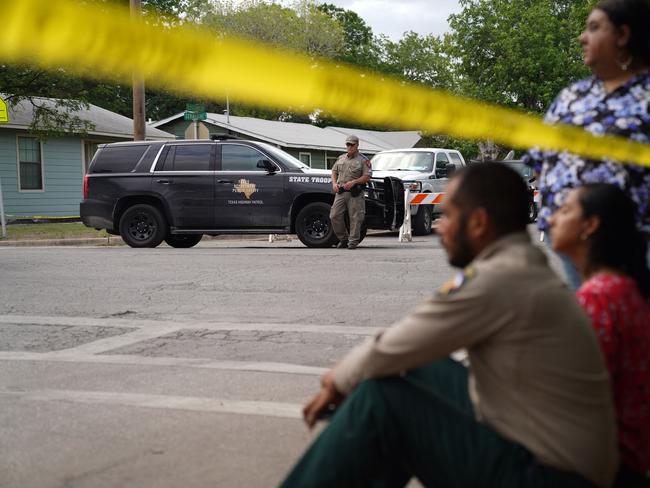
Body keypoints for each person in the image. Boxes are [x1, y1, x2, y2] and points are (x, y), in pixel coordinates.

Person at [280, 163, 618, 488]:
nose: (440, 226)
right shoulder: (520, 264)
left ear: (479, 222)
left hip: (551, 477)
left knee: (383, 398)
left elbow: (394, 345)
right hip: (561, 459)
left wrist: (335, 380)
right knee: (417, 367)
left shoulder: (501, 278)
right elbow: (407, 347)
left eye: (449, 216)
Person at [524, 0, 650, 290]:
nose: (582, 37)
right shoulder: (572, 96)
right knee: (594, 326)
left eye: (594, 28)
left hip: (636, 242)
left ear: (622, 35)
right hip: (573, 244)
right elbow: (540, 162)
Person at [548, 183, 650, 487]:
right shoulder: (620, 289)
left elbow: (575, 396)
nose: (551, 219)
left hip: (601, 465)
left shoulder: (600, 297)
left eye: (565, 210)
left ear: (590, 226)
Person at [330, 135, 372, 250]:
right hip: (341, 192)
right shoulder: (341, 158)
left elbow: (367, 176)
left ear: (357, 145)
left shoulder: (363, 160)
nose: (349, 147)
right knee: (334, 215)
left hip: (355, 193)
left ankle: (353, 242)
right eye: (348, 144)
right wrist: (334, 183)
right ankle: (343, 239)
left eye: (352, 144)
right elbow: (334, 172)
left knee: (355, 218)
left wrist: (354, 182)